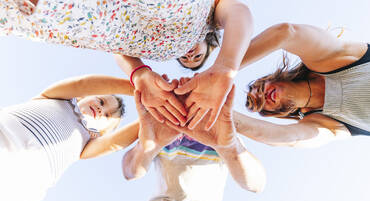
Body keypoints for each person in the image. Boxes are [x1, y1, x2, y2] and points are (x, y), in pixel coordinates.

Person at [0, 0, 252, 128]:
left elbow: (118, 45)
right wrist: (224, 67)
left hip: (73, 16)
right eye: (197, 57)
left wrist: (139, 73)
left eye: (185, 59)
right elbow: (239, 12)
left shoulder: (160, 50)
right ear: (211, 43)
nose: (189, 55)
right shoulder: (210, 16)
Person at [122, 87, 266, 201]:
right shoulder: (161, 132)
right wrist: (149, 146)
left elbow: (256, 183)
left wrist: (230, 147)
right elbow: (130, 171)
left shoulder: (221, 135)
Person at [0, 74, 138, 201]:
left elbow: (114, 143)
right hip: (5, 134)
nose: (101, 109)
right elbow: (82, 84)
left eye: (107, 116)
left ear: (104, 130)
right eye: (101, 101)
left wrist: (151, 113)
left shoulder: (87, 143)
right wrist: (139, 89)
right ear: (83, 96)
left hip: (23, 183)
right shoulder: (59, 98)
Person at [232, 23, 370, 148]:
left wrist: (225, 68)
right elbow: (288, 137)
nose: (262, 94)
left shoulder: (327, 61)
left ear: (272, 79)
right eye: (259, 102)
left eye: (261, 88)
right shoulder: (324, 124)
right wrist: (224, 114)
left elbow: (287, 33)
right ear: (272, 112)